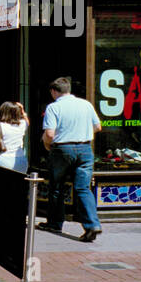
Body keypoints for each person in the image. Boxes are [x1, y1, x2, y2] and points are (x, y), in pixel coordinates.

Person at [41, 77, 102, 241]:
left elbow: (49, 134)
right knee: (83, 188)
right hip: (85, 148)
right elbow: (98, 127)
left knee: (57, 187)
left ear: (54, 91)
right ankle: (92, 224)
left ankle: (55, 222)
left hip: (62, 149)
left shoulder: (53, 107)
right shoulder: (86, 104)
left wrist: (47, 145)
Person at [0, 102, 30, 172]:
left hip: (3, 160)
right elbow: (27, 122)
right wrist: (23, 111)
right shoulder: (22, 125)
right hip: (21, 161)